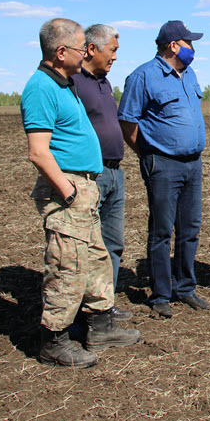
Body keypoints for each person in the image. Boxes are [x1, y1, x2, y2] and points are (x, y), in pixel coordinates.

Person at [21, 18, 141, 369]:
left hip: (84, 184)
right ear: (61, 52)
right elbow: (38, 151)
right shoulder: (41, 87)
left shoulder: (64, 85)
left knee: (96, 258)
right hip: (69, 188)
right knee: (68, 266)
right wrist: (68, 191)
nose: (85, 52)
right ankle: (54, 340)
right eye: (78, 47)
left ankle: (99, 326)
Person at [118, 20, 209, 318]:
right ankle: (160, 293)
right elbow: (128, 123)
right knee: (161, 231)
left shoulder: (189, 73)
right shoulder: (142, 77)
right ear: (173, 45)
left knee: (189, 229)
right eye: (189, 43)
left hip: (193, 164)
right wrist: (147, 154)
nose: (193, 48)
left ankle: (184, 287)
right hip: (163, 164)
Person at [73, 24, 132, 321]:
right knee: (86, 246)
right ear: (91, 48)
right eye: (113, 50)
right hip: (89, 176)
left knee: (112, 243)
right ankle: (82, 310)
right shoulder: (72, 81)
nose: (115, 58)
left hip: (114, 174)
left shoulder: (104, 82)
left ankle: (104, 305)